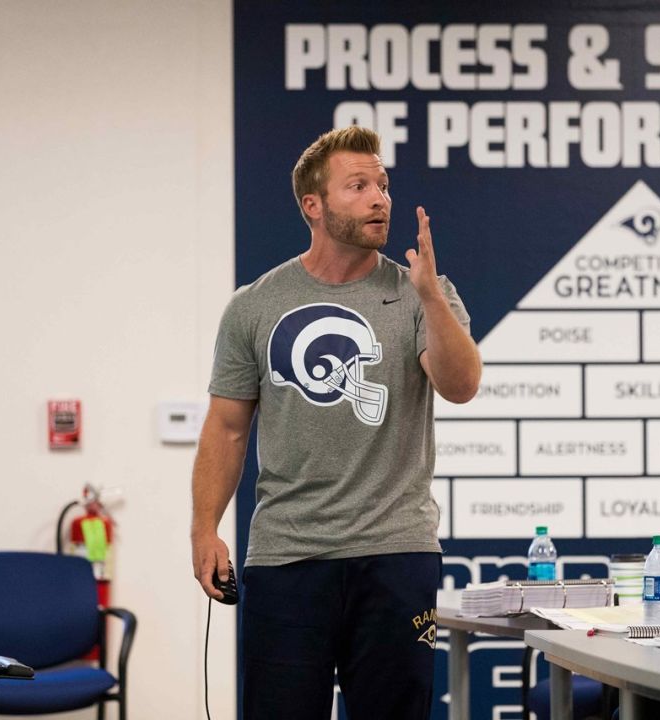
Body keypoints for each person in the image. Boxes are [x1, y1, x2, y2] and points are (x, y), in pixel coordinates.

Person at [189, 126, 482, 719]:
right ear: (313, 207)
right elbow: (226, 428)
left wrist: (429, 297)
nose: (380, 197)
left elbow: (461, 385)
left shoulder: (422, 292)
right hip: (287, 555)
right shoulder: (255, 305)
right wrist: (204, 529)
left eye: (382, 184)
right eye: (358, 185)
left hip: (396, 551)